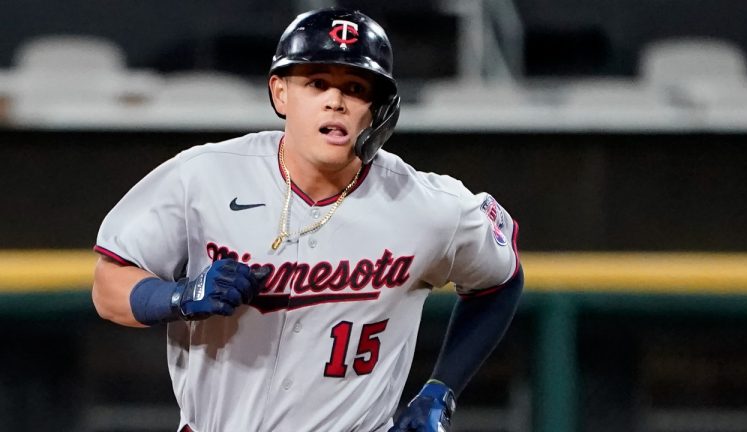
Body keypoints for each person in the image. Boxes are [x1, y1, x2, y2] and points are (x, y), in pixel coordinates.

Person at [91, 7, 523, 432]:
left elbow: (502, 279)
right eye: (318, 83)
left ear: (379, 110)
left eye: (355, 88)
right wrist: (178, 297)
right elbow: (108, 285)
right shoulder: (205, 175)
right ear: (280, 93)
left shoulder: (426, 205)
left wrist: (439, 391)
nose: (336, 101)